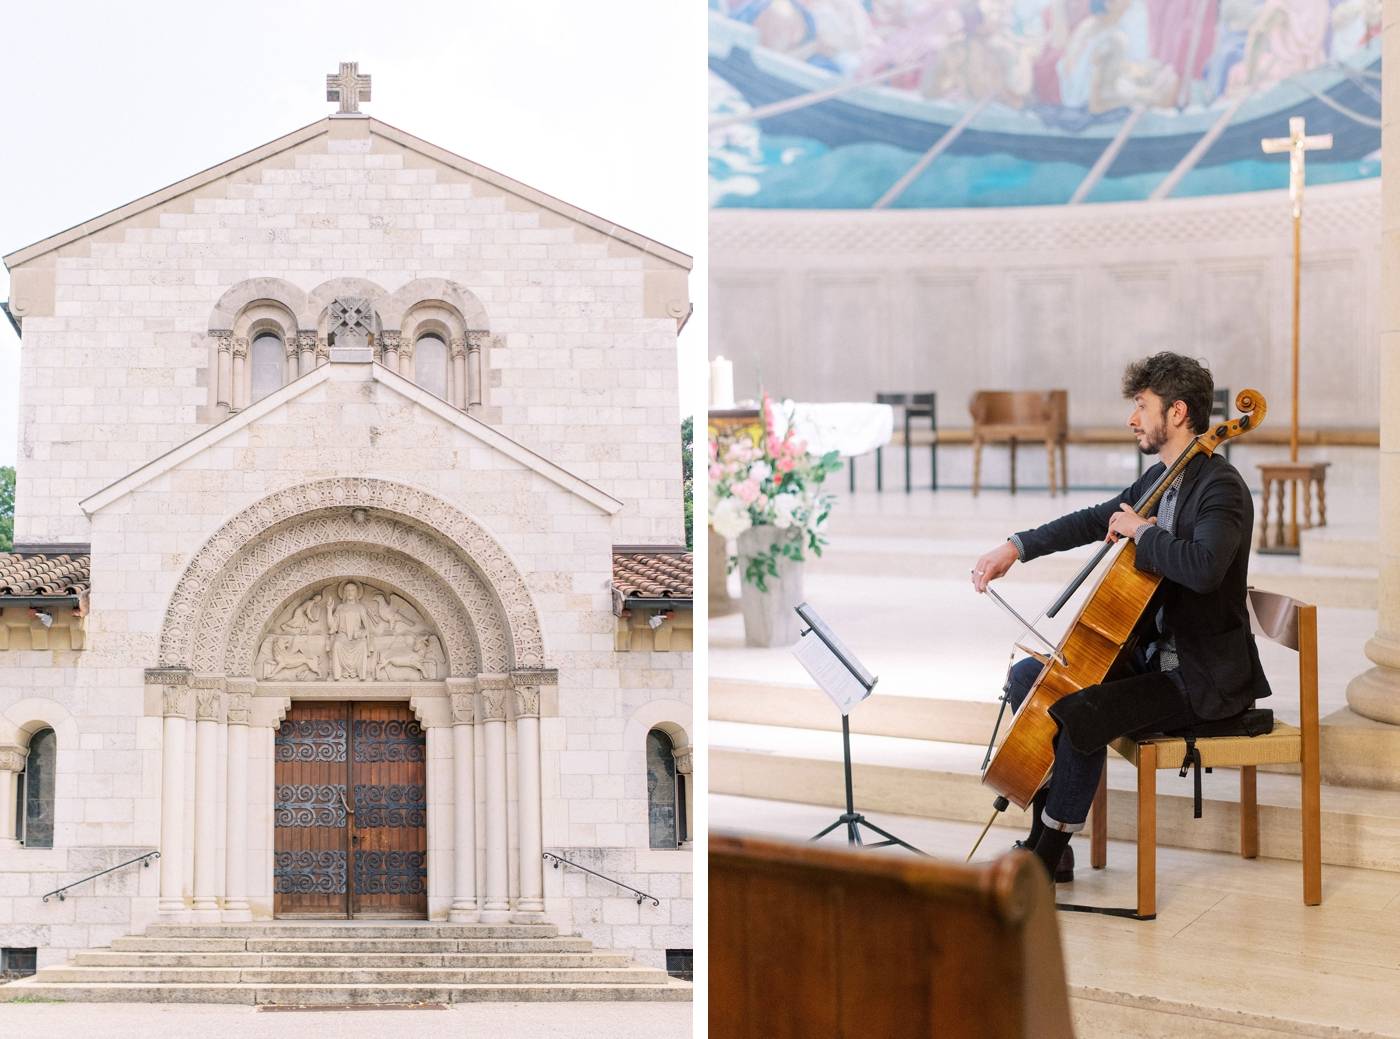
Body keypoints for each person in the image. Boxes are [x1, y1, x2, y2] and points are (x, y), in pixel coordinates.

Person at [970, 352, 1271, 883]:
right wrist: (1014, 548)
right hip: (1155, 661)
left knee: (1081, 712)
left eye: (1141, 405)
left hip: (1200, 677)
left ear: (1176, 413)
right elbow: (1093, 519)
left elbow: (1203, 570)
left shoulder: (1220, 487)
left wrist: (1142, 533)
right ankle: (1051, 841)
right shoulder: (1163, 479)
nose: (1133, 418)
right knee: (1029, 678)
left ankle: (1047, 852)